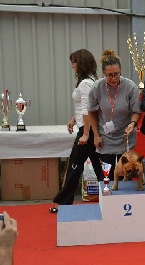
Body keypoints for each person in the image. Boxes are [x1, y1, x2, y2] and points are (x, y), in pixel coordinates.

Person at [50, 49, 103, 213]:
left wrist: (86, 134)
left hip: (87, 131)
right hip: (87, 128)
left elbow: (88, 110)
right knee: (98, 167)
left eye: (74, 62)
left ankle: (64, 203)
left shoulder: (86, 83)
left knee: (74, 166)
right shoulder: (90, 80)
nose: (72, 65)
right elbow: (84, 107)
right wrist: (74, 118)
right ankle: (112, 198)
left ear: (81, 63)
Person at [88, 49, 141, 179]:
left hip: (126, 137)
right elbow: (91, 112)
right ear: (103, 73)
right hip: (105, 138)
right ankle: (107, 198)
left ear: (120, 72)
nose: (113, 78)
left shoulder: (130, 87)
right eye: (109, 75)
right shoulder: (96, 88)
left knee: (127, 173)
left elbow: (136, 111)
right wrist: (96, 136)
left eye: (116, 74)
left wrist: (133, 124)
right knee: (107, 176)